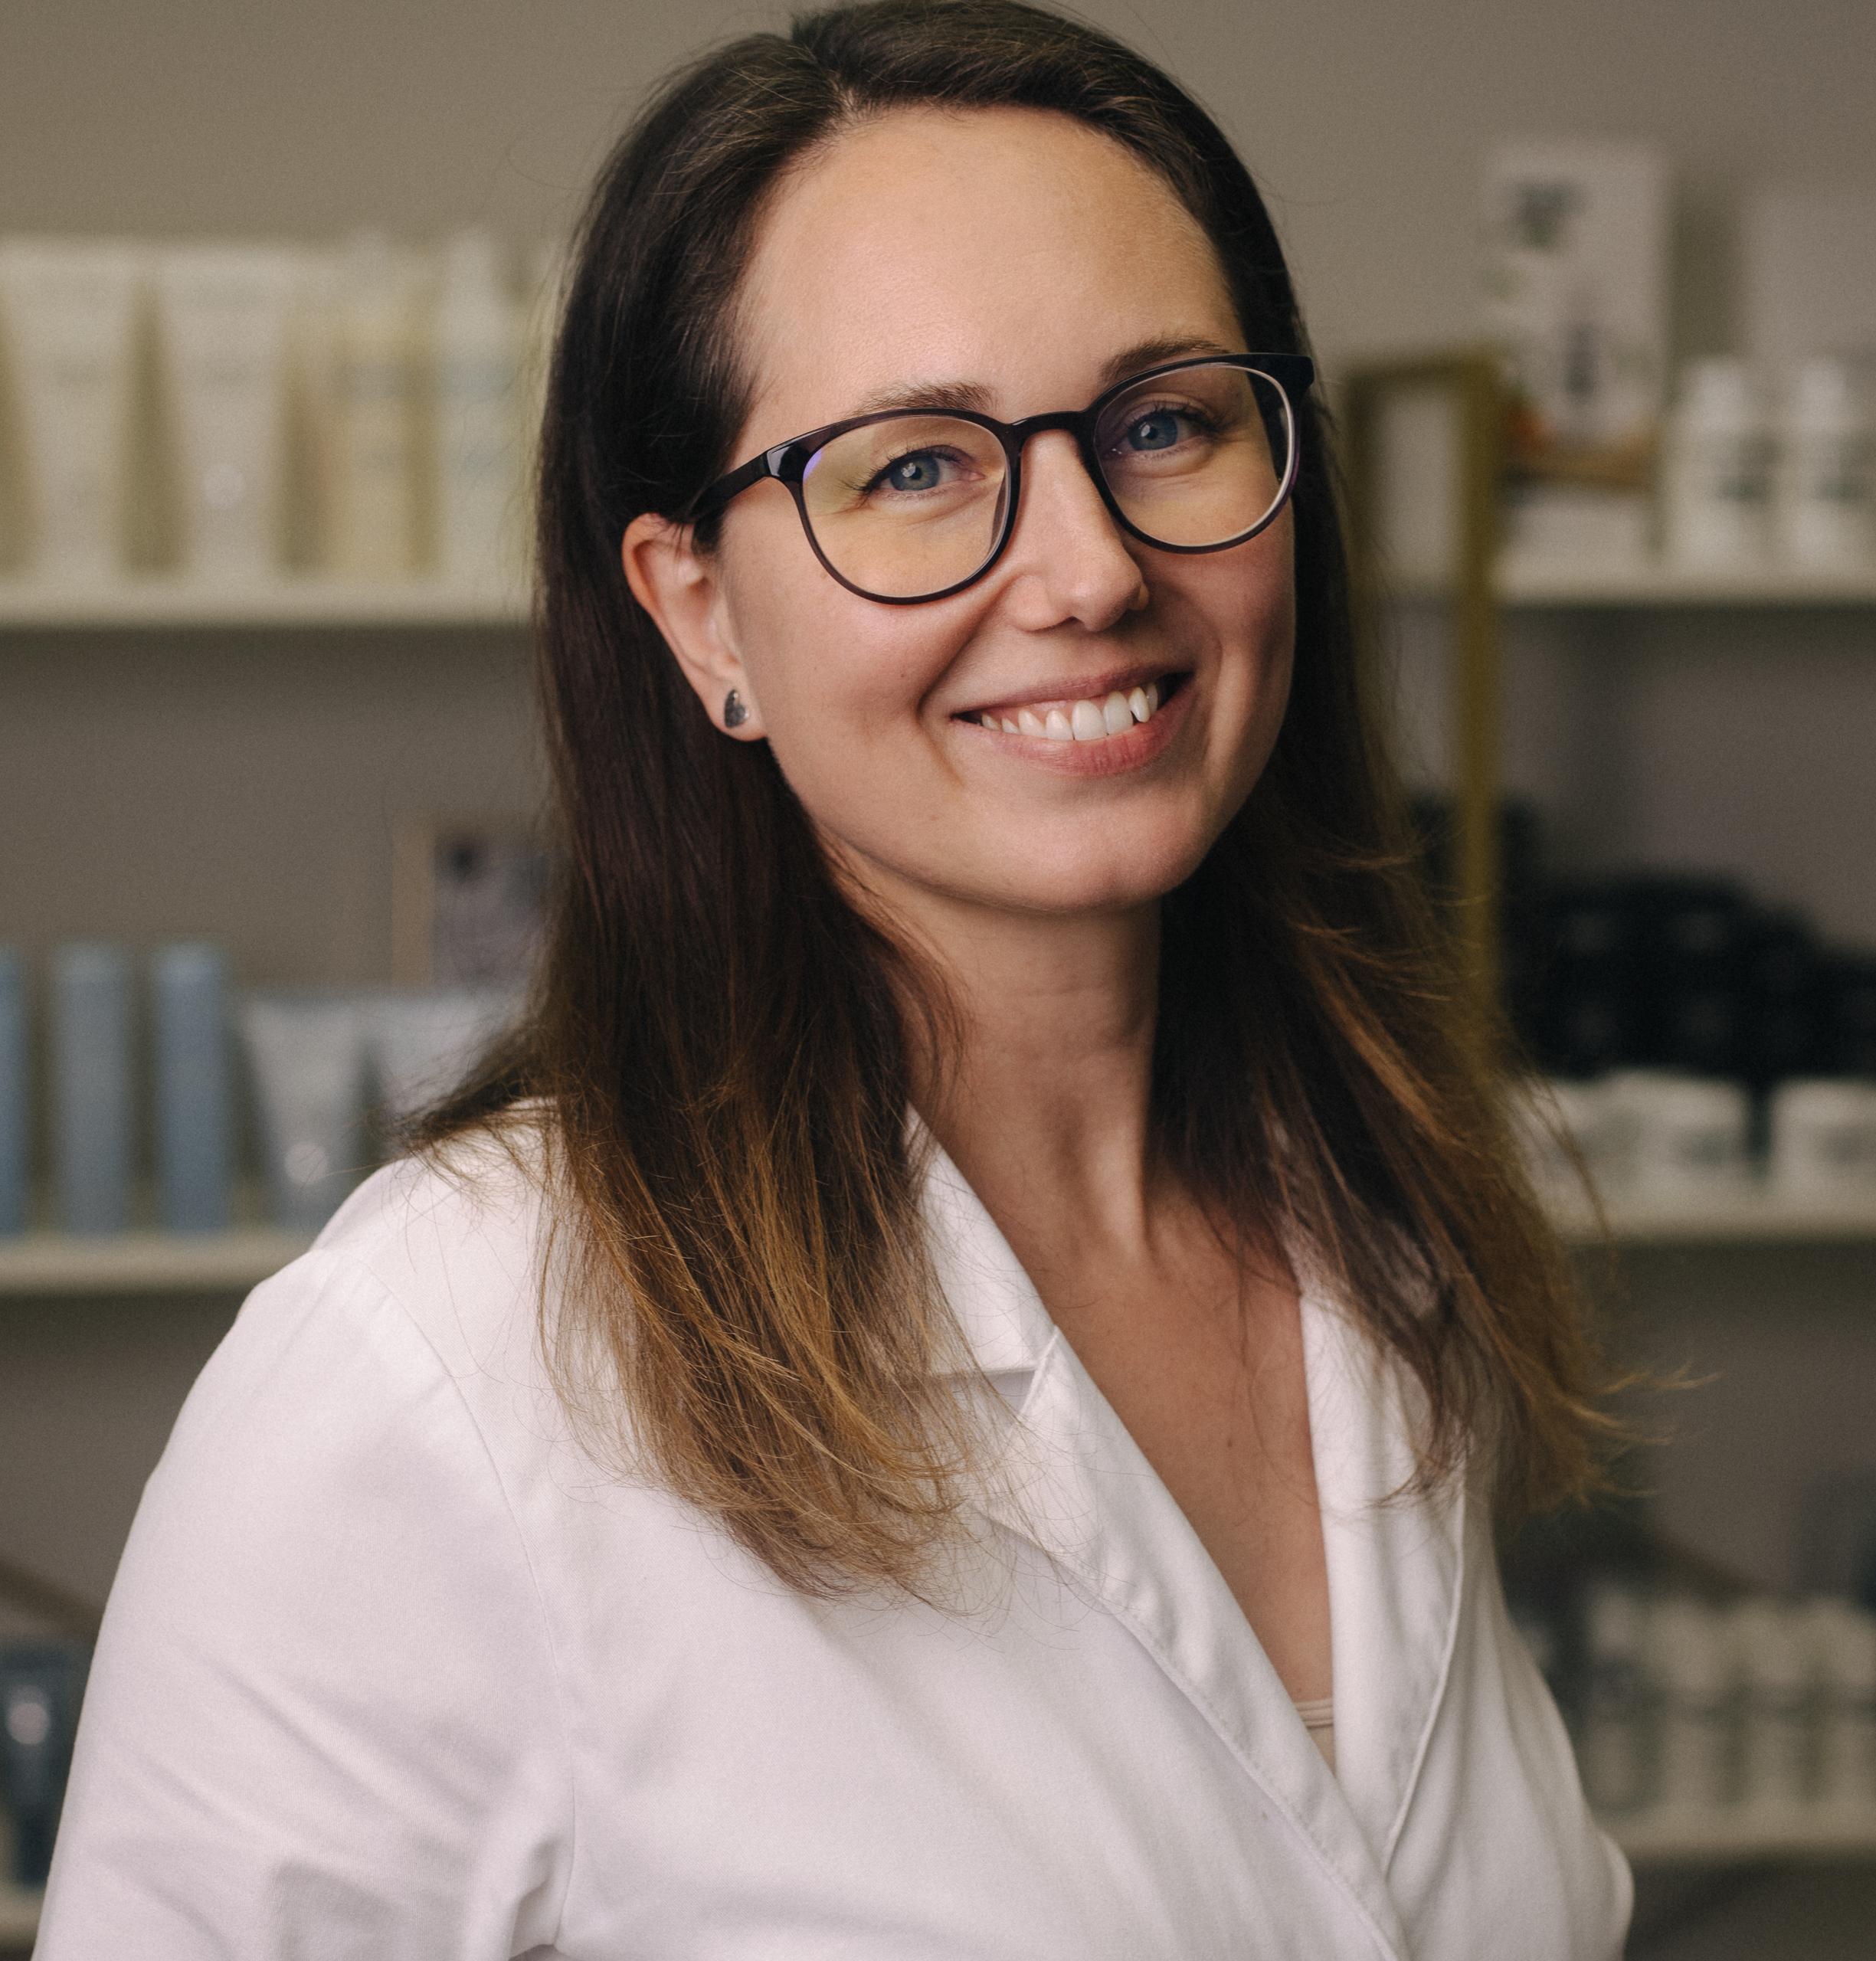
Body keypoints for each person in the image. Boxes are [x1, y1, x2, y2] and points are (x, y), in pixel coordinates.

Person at [37, 3, 1633, 1954]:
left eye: (1163, 423)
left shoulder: (1372, 1236)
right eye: (911, 468)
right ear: (695, 606)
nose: (1084, 569)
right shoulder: (441, 1371)